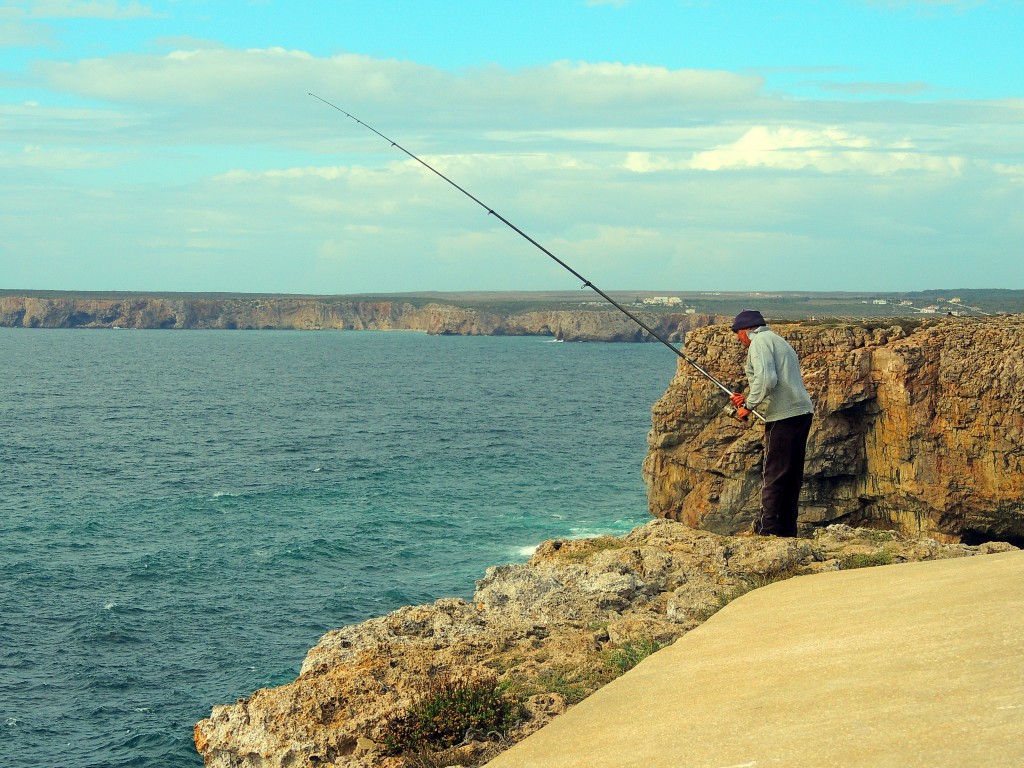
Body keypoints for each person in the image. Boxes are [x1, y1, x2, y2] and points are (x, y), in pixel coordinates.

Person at [728, 309, 814, 537]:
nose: (739, 340)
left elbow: (768, 379)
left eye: (738, 334)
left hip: (783, 417)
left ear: (746, 330)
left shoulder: (759, 342)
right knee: (791, 475)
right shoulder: (778, 340)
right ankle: (788, 531)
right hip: (801, 413)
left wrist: (748, 406)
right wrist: (747, 398)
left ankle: (769, 532)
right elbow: (775, 381)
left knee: (774, 474)